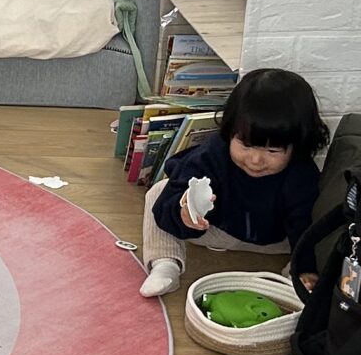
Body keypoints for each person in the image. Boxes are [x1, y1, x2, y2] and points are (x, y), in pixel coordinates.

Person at [137, 67, 325, 298]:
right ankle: (165, 264)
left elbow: (305, 227)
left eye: (272, 150)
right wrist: (183, 213)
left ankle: (294, 279)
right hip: (215, 228)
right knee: (158, 192)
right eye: (245, 145)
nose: (255, 160)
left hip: (277, 241)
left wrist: (305, 268)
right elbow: (176, 192)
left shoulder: (300, 173)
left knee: (315, 232)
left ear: (298, 145)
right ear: (230, 132)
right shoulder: (212, 154)